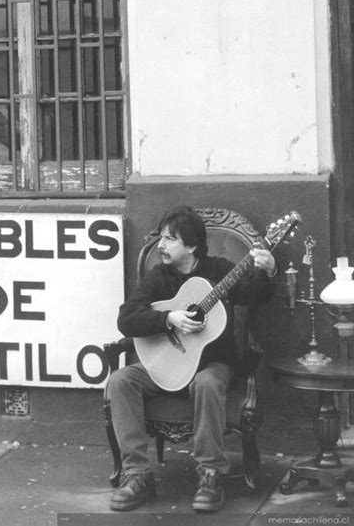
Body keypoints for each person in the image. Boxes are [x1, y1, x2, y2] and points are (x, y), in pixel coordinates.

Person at [106, 206, 277, 513]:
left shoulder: (219, 270)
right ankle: (137, 475)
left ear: (192, 246)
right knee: (119, 381)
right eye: (161, 238)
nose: (161, 245)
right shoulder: (159, 276)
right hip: (168, 364)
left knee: (207, 382)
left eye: (170, 239)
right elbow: (126, 319)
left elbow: (254, 295)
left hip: (214, 364)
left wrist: (266, 270)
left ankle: (210, 474)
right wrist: (169, 318)